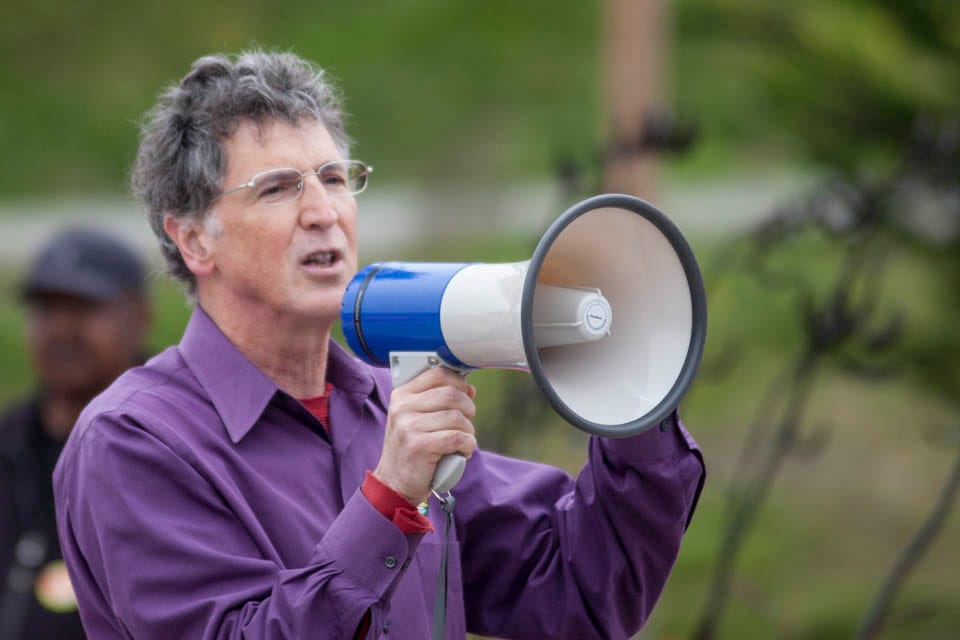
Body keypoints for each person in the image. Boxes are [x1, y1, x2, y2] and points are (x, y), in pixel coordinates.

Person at [53, 50, 706, 640]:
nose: (323, 212)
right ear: (195, 240)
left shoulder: (385, 406)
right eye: (278, 188)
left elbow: (581, 589)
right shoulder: (134, 441)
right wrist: (389, 500)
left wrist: (636, 403)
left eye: (335, 178)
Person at [1, 227, 150, 640]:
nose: (61, 330)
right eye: (46, 310)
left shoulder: (177, 447)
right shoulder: (10, 444)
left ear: (140, 317)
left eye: (84, 309)